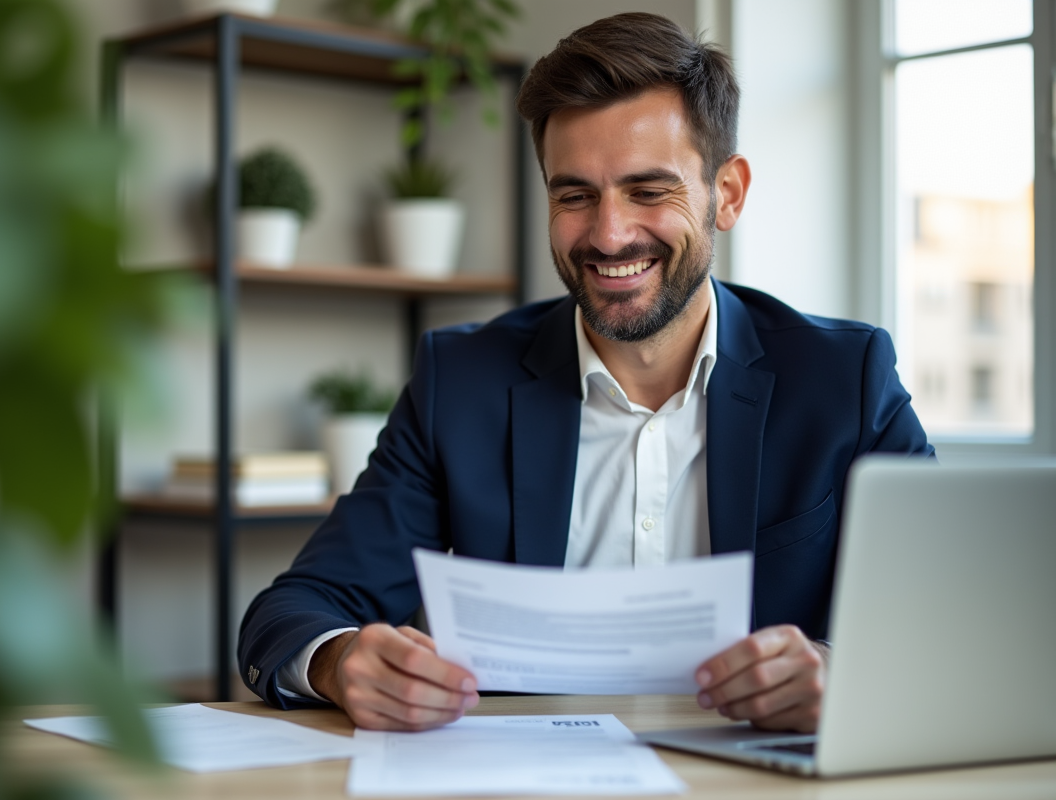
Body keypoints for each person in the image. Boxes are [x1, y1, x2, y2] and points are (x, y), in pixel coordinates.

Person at [238, 12, 933, 735]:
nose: (608, 234)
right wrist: (339, 660)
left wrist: (841, 670)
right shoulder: (462, 383)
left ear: (726, 193)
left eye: (648, 191)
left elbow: (960, 612)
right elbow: (291, 613)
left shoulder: (845, 379)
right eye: (574, 195)